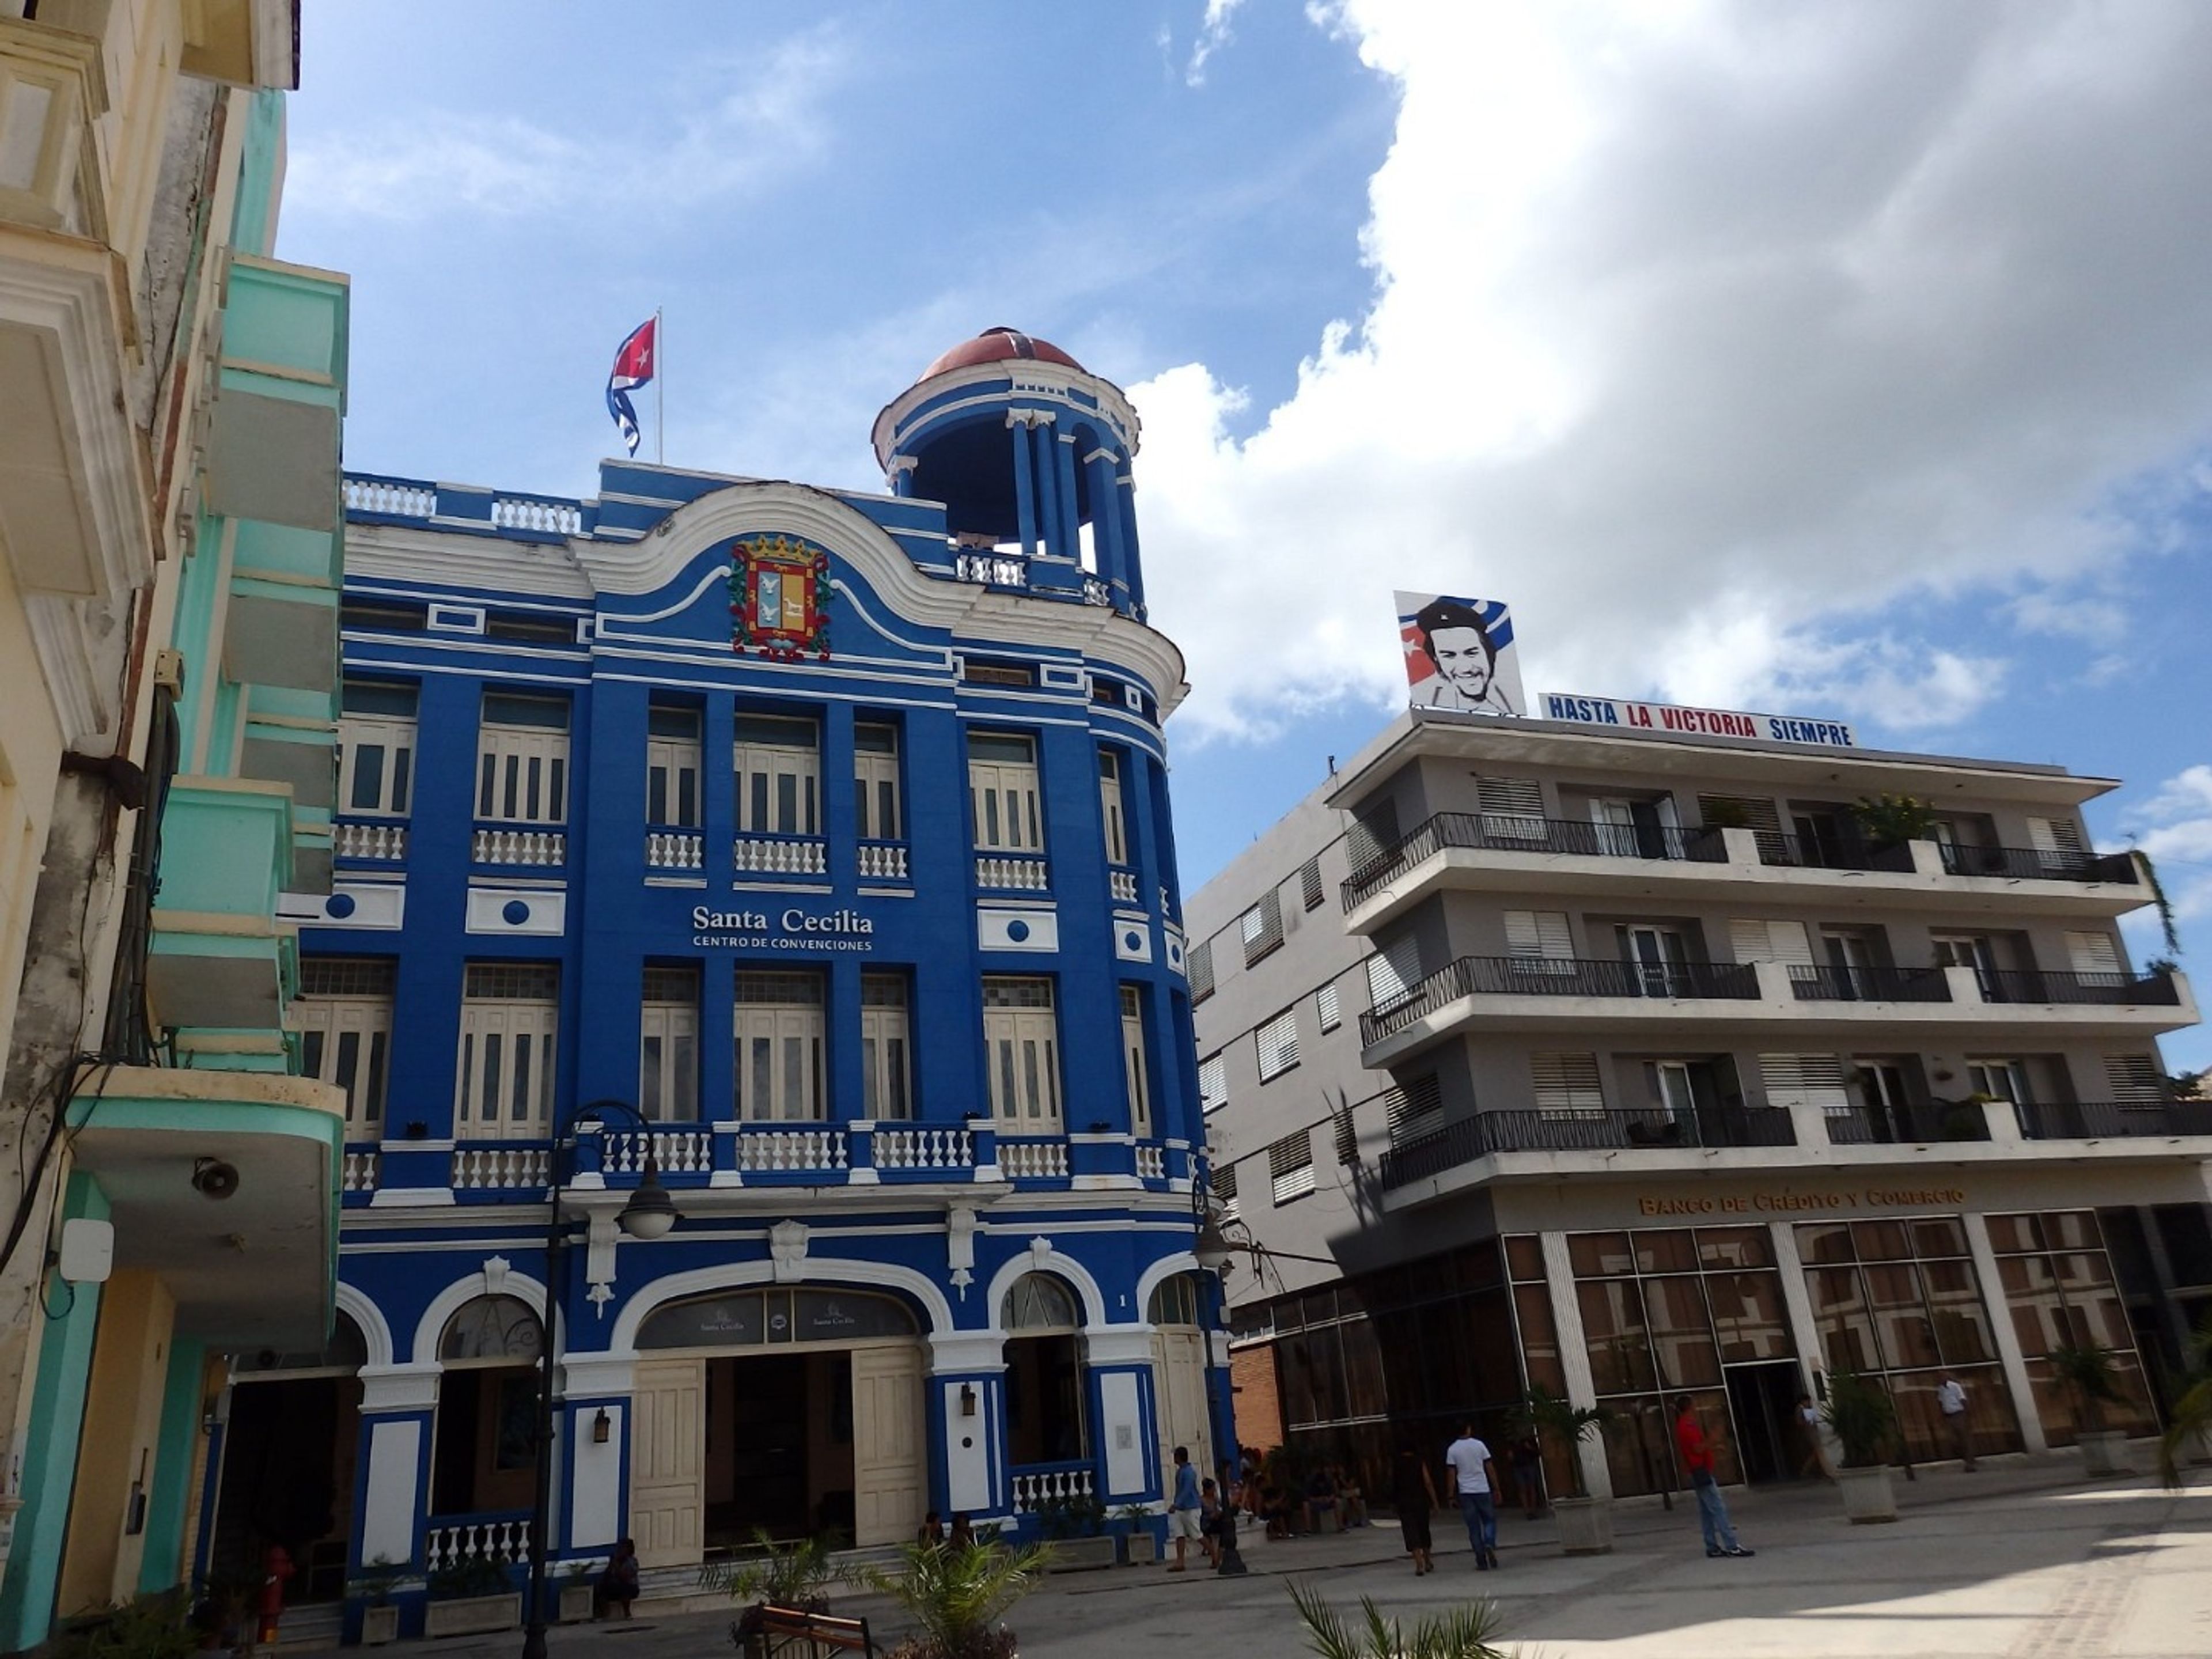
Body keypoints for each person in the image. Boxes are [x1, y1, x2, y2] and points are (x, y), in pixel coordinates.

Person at [1673, 1397, 1753, 1559]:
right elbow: (1697, 1449)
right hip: (1700, 1471)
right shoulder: (1687, 1426)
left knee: (1706, 1512)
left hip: (1698, 1470)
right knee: (1718, 1508)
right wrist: (1713, 1440)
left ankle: (1712, 1546)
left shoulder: (1686, 1425)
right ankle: (1731, 1545)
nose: (1697, 1406)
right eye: (1694, 1404)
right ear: (1689, 1407)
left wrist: (1714, 1447)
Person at [1411, 599, 1520, 716]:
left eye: (1471, 653)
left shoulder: (1509, 696)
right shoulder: (1430, 695)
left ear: (1488, 652)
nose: (1465, 668)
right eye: (1449, 656)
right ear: (1436, 659)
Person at [1443, 1421, 1501, 1570]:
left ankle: (1481, 1560)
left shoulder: (1452, 1450)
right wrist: (1496, 1488)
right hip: (1482, 1488)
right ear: (1468, 1429)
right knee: (1489, 1520)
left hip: (1466, 1492)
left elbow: (1451, 1473)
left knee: (1473, 1528)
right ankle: (1489, 1542)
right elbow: (1490, 1467)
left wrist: (1450, 1495)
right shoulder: (1479, 1445)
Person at [1393, 1445, 1441, 1575]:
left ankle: (1419, 1564)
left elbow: (1393, 1484)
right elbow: (1428, 1482)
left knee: (1410, 1532)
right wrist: (1435, 1502)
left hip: (1404, 1502)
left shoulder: (1396, 1464)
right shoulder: (1419, 1461)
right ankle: (1428, 1561)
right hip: (1421, 1500)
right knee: (1423, 1530)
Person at [1167, 1444, 1205, 1570]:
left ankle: (1214, 1555)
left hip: (1190, 1507)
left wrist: (1176, 1504)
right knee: (1179, 1535)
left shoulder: (1189, 1472)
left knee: (1197, 1535)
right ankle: (1180, 1562)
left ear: (1179, 1457)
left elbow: (1187, 1490)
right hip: (1180, 1509)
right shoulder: (1181, 1472)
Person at [1936, 1372, 1977, 1471]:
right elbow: (1941, 1402)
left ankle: (1969, 1463)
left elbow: (1963, 1399)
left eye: (1941, 1377)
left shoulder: (1955, 1386)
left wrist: (1967, 1415)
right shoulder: (1940, 1389)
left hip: (1959, 1414)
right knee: (1953, 1440)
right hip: (1949, 1416)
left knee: (1964, 1438)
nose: (1940, 1379)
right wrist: (1942, 1416)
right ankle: (1966, 1458)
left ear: (1946, 1377)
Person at [594, 1539, 640, 1620]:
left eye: (624, 1548)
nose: (621, 1550)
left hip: (630, 1586)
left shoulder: (632, 1561)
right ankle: (603, 1613)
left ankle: (627, 1613)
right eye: (620, 1548)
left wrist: (617, 1565)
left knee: (625, 1589)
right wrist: (612, 1564)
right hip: (616, 1585)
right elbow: (607, 1575)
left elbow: (626, 1577)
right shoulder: (615, 1559)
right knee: (601, 1587)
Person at [1795, 1394, 1835, 1481]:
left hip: (1814, 1433)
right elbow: (1799, 1422)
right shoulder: (1800, 1409)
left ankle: (1805, 1471)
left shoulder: (1808, 1409)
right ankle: (1827, 1472)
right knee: (1819, 1452)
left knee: (1816, 1453)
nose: (1809, 1403)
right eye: (1807, 1401)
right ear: (1803, 1401)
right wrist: (1807, 1423)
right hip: (1810, 1433)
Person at [1510, 1435, 1545, 1520]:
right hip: (1518, 1467)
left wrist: (1530, 1448)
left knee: (1531, 1488)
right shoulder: (1514, 1442)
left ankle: (1533, 1510)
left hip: (1529, 1465)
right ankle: (1527, 1511)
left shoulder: (1531, 1441)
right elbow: (1511, 1455)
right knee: (1523, 1489)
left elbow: (1538, 1453)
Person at [1196, 1478, 1227, 1569]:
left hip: (1215, 1522)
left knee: (1224, 1527)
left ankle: (1219, 1556)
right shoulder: (1201, 1501)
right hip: (1206, 1524)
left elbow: (1220, 1509)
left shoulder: (1215, 1499)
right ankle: (1216, 1558)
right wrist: (1211, 1516)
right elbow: (1200, 1516)